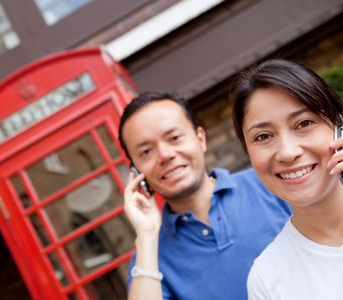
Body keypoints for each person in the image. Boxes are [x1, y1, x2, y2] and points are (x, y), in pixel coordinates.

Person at [231, 59, 343, 300]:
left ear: (338, 125)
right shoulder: (267, 278)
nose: (287, 152)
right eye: (263, 136)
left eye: (304, 123)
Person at [118, 91, 292, 300]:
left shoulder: (271, 184)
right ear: (136, 172)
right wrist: (146, 236)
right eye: (146, 151)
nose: (165, 155)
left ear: (200, 138)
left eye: (174, 138)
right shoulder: (149, 261)